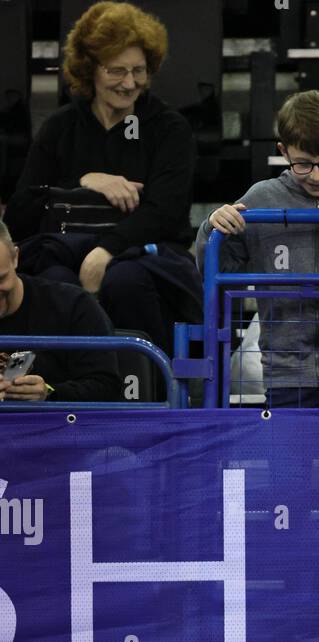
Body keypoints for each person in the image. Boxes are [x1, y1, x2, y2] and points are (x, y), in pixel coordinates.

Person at [4, 2, 201, 356]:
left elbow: (165, 211)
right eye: (116, 71)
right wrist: (85, 180)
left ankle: (149, 390)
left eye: (138, 71)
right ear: (90, 69)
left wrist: (104, 251)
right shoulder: (61, 127)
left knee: (124, 281)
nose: (129, 84)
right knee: (54, 284)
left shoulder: (168, 128)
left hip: (145, 254)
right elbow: (20, 210)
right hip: (65, 253)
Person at [195, 90, 319, 408]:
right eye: (303, 164)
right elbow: (221, 274)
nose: (315, 175)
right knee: (286, 456)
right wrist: (214, 229)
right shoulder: (259, 198)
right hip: (285, 366)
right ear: (283, 151)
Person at [0, 219, 120, 402]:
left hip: (58, 426)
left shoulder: (74, 305)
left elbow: (106, 387)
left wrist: (49, 392)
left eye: (0, 279)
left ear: (15, 258)